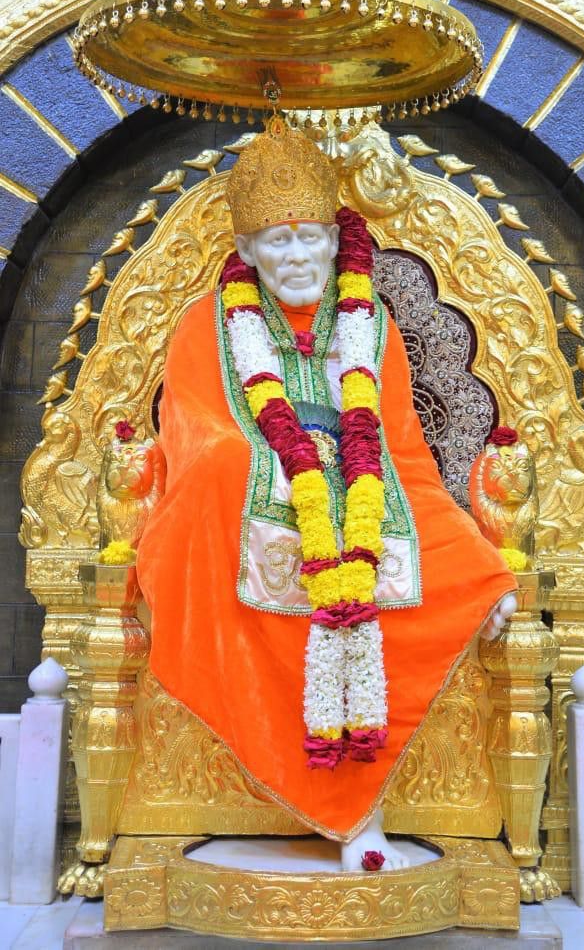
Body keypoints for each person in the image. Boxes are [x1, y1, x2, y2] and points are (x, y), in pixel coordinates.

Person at [136, 117, 517, 871]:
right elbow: (201, 435)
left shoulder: (369, 323)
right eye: (278, 241)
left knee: (464, 574)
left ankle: (361, 805)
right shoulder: (204, 326)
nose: (297, 255)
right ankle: (330, 808)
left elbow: (402, 446)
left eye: (310, 237)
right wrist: (283, 467)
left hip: (371, 496)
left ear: (335, 239)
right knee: (216, 506)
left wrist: (481, 562)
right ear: (246, 250)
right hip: (252, 502)